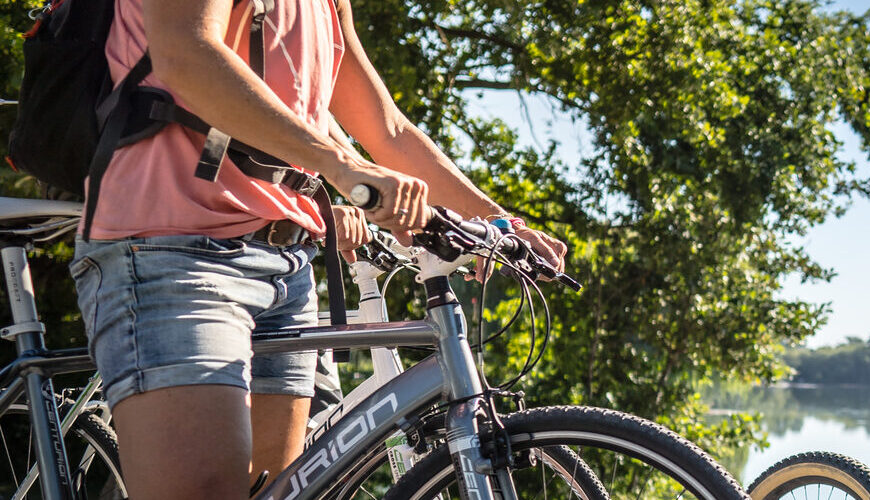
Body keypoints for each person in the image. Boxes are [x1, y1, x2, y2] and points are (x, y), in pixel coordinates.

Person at [73, 0, 567, 496]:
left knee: (283, 491)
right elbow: (185, 53)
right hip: (174, 252)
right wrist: (341, 165)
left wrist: (500, 223)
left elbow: (389, 130)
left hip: (285, 266)